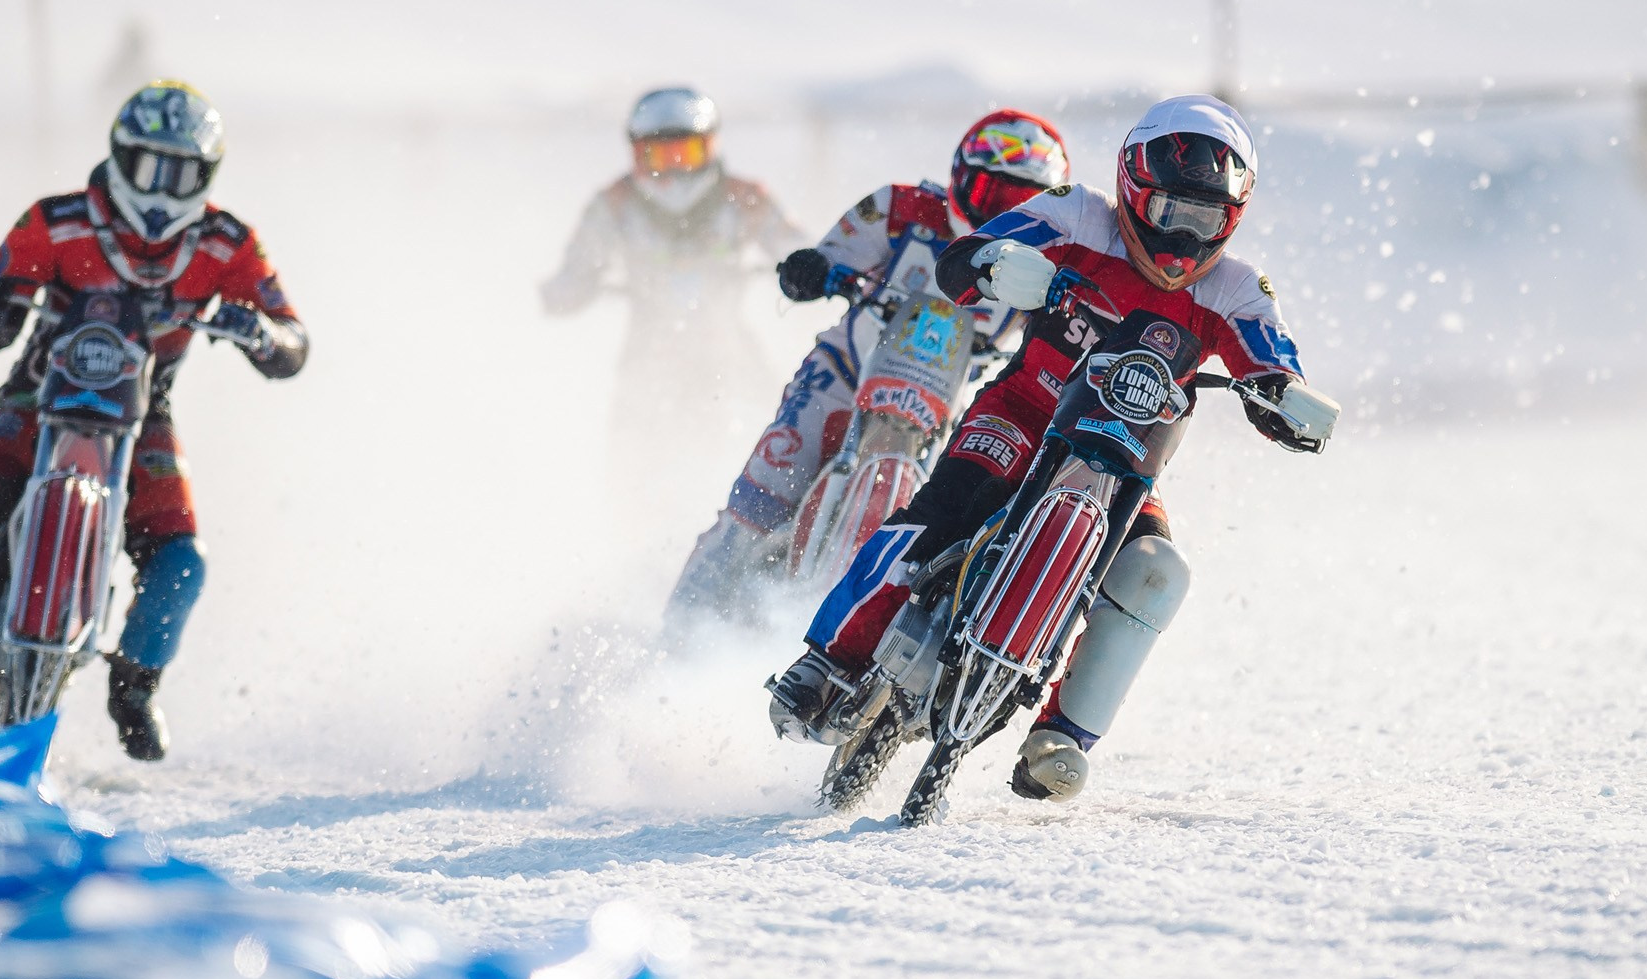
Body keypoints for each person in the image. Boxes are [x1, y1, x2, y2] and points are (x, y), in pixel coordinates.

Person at [767, 95, 1321, 801]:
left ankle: (1061, 737)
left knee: (1154, 572)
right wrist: (998, 264)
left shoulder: (1238, 288)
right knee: (939, 512)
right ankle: (830, 657)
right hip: (1023, 414)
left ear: (1232, 220)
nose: (1183, 239)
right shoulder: (1077, 214)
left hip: (1125, 459)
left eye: (1205, 220)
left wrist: (1284, 398)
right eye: (1169, 211)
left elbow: (1274, 359)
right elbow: (966, 256)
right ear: (1133, 189)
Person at [0, 81, 308, 760]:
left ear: (208, 176)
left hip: (143, 413)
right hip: (36, 398)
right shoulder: (55, 220)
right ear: (119, 156)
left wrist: (261, 334)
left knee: (181, 560)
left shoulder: (227, 242)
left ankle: (134, 687)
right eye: (148, 166)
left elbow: (292, 339)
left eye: (181, 173)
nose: (161, 189)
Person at [666, 110, 1071, 623]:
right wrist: (811, 270)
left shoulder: (1051, 261)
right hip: (844, 372)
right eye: (993, 194)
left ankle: (889, 618)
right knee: (764, 490)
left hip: (945, 405)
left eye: (1020, 202)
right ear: (961, 179)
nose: (1001, 215)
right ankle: (683, 619)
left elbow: (1075, 325)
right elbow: (829, 255)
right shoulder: (900, 209)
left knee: (958, 518)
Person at [541, 88, 803, 516]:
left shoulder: (744, 196)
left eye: (686, 152)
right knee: (629, 456)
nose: (675, 169)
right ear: (637, 154)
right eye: (659, 156)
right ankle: (630, 526)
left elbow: (799, 246)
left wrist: (803, 267)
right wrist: (566, 290)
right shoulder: (614, 204)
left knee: (785, 426)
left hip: (728, 344)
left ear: (711, 146)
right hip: (648, 351)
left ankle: (782, 516)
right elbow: (576, 268)